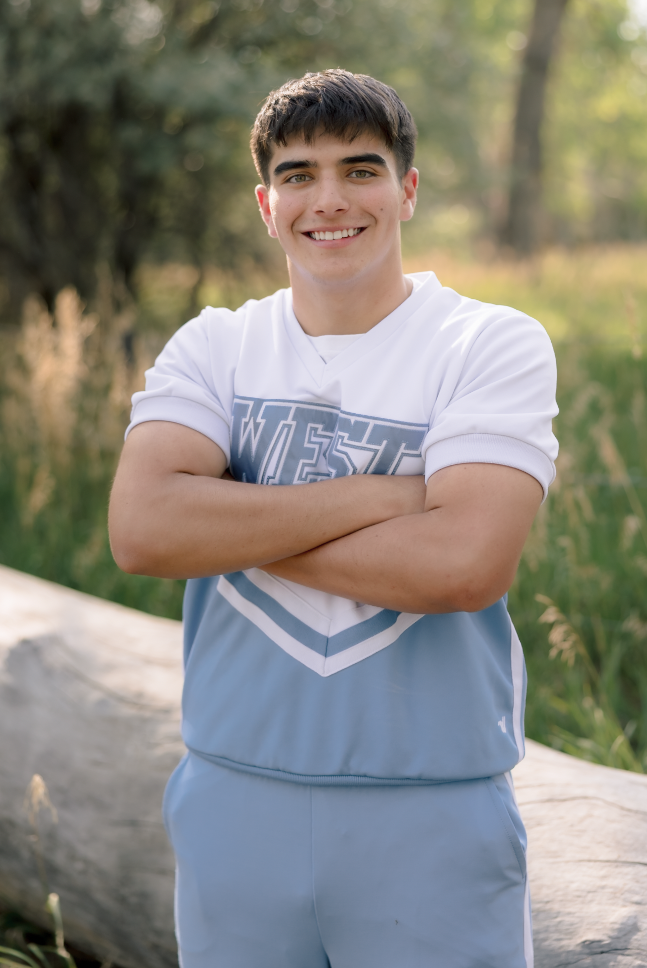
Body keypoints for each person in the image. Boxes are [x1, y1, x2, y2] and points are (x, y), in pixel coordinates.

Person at [109, 69, 558, 968]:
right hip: (233, 792)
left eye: (361, 170)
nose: (330, 200)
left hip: (430, 806)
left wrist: (231, 518)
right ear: (266, 203)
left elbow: (464, 565)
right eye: (299, 175)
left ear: (408, 190)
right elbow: (144, 534)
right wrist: (383, 497)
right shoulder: (217, 345)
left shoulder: (487, 342)